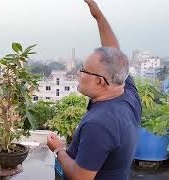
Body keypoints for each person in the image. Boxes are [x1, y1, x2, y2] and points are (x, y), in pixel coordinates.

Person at [47, 0, 142, 180]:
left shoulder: (99, 124)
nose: (78, 73)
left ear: (100, 81)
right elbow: (114, 53)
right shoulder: (126, 93)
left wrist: (58, 149)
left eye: (83, 69)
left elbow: (81, 176)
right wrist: (97, 15)